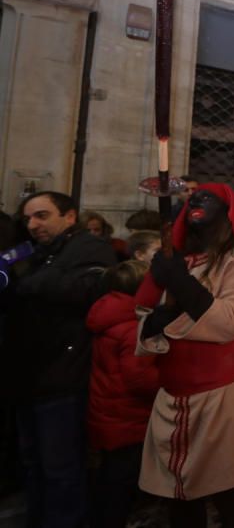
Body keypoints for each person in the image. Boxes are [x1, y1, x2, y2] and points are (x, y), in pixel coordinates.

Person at [135, 184, 234, 526]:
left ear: (229, 212)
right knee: (180, 494)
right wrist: (158, 316)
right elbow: (144, 314)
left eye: (209, 197)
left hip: (224, 389)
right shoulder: (179, 259)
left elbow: (229, 322)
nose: (197, 200)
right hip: (175, 389)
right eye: (193, 198)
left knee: (231, 492)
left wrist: (181, 283)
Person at [2, 191, 117, 527]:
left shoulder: (89, 248)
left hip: (62, 376)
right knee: (34, 464)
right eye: (28, 218)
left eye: (42, 215)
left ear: (69, 217)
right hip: (30, 376)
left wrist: (23, 282)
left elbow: (85, 289)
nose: (33, 224)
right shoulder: (35, 253)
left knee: (61, 468)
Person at [87, 260, 160, 528]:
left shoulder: (106, 315)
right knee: (120, 484)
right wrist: (168, 381)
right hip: (129, 419)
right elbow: (139, 378)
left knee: (108, 478)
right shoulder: (132, 326)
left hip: (107, 415)